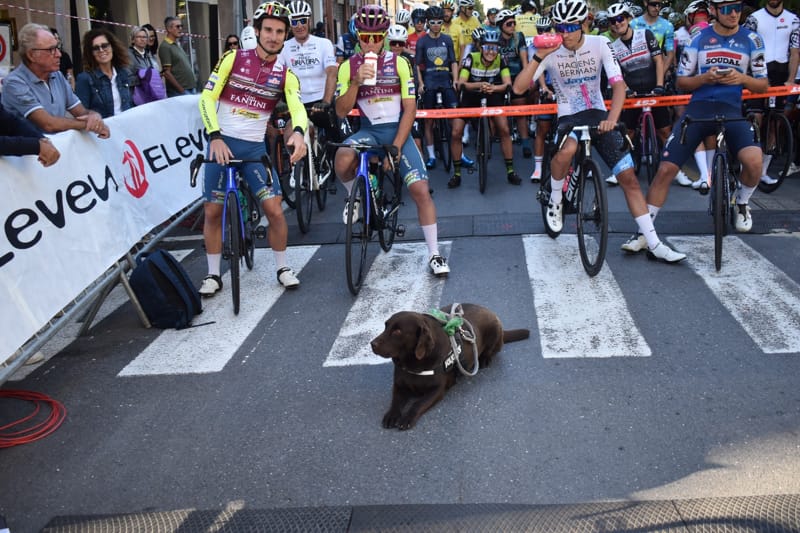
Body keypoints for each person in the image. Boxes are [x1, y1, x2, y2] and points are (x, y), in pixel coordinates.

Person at [513, 0, 686, 263]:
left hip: (598, 114)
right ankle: (556, 200)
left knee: (628, 177)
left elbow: (618, 86)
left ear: (583, 24)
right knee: (567, 150)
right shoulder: (551, 49)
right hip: (568, 113)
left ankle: (653, 242)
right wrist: (540, 55)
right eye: (560, 27)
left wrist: (612, 119)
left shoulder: (600, 44)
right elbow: (518, 89)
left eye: (571, 26)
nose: (565, 33)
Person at [197, 1, 308, 294]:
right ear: (257, 31)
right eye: (268, 30)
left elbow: (297, 108)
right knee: (212, 212)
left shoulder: (286, 72)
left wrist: (298, 133)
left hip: (253, 150)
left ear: (285, 36)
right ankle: (212, 275)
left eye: (280, 32)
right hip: (222, 144)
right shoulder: (232, 58)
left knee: (274, 210)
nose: (273, 36)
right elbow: (206, 99)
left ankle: (282, 267)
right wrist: (215, 135)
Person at [334, 4, 450, 277]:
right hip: (368, 131)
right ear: (357, 35)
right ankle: (355, 196)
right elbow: (340, 110)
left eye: (377, 37)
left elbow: (410, 109)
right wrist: (355, 83)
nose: (371, 43)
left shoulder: (400, 63)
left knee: (421, 191)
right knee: (342, 159)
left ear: (385, 35)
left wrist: (397, 146)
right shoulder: (348, 66)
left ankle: (434, 253)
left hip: (398, 132)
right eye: (365, 36)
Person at [641, 0, 767, 250]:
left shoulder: (752, 39)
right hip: (698, 110)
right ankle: (643, 231)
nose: (733, 14)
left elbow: (763, 86)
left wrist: (742, 78)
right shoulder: (698, 37)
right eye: (727, 9)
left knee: (754, 162)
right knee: (665, 169)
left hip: (732, 110)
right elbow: (681, 83)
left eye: (738, 8)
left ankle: (741, 202)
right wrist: (704, 78)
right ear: (714, 10)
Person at [2, 23, 109, 138]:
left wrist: (94, 116)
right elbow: (48, 124)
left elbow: (81, 111)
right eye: (51, 50)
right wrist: (88, 124)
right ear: (31, 55)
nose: (59, 54)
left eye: (57, 48)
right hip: (29, 153)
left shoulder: (57, 75)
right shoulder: (14, 82)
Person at [605, 3, 668, 185]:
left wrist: (659, 85)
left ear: (628, 18)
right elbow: (616, 74)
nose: (617, 24)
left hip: (653, 88)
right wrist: (625, 90)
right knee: (628, 132)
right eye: (613, 21)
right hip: (631, 91)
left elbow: (658, 61)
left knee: (665, 131)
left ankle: (675, 168)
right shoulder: (613, 47)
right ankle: (618, 169)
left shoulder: (646, 34)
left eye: (620, 19)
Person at [451, 28, 520, 188]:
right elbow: (461, 83)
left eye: (495, 48)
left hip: (492, 93)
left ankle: (510, 171)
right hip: (470, 94)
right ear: (481, 47)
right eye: (488, 47)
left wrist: (494, 89)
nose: (491, 52)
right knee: (456, 132)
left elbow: (508, 84)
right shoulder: (471, 58)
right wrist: (478, 85)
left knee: (504, 129)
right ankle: (457, 174)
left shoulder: (500, 59)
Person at [744, 0, 800, 186]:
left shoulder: (793, 20)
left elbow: (795, 52)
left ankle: (763, 171)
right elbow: (748, 47)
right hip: (759, 71)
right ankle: (748, 163)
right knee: (756, 117)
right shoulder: (754, 19)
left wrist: (791, 80)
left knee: (776, 121)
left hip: (781, 73)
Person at [416, 5, 460, 170]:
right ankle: (432, 155)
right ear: (428, 22)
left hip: (445, 81)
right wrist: (420, 84)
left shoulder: (447, 39)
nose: (436, 25)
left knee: (454, 119)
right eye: (433, 22)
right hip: (429, 82)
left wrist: (455, 79)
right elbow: (417, 65)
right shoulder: (422, 40)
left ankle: (459, 153)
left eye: (439, 22)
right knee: (429, 121)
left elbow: (453, 61)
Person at [495, 8, 533, 159]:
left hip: (516, 75)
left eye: (513, 23)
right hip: (500, 76)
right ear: (501, 26)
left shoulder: (519, 37)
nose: (512, 26)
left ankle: (525, 143)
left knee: (520, 110)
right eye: (508, 24)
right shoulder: (495, 38)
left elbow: (524, 60)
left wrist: (527, 77)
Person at [75, 28, 133, 118]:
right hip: (103, 130)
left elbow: (129, 104)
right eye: (96, 48)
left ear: (112, 47)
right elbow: (81, 114)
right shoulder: (85, 79)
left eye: (105, 45)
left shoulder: (123, 73)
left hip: (125, 126)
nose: (101, 50)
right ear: (91, 53)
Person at [159, 16, 197, 96]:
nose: (180, 29)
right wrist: (182, 90)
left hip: (190, 88)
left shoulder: (177, 44)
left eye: (181, 26)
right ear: (169, 29)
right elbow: (166, 73)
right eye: (177, 26)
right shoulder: (165, 46)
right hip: (179, 92)